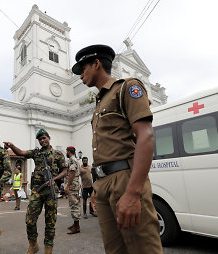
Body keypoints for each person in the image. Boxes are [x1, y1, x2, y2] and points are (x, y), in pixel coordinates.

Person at [72, 44, 163, 254]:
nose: (80, 76)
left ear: (96, 64)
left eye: (83, 69)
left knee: (142, 249)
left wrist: (132, 193)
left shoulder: (127, 87)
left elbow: (146, 137)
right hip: (103, 184)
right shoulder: (99, 101)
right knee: (114, 250)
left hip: (125, 180)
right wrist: (97, 187)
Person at [4, 128, 68, 254]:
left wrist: (54, 179)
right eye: (40, 139)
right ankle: (33, 245)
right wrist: (12, 145)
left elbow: (65, 170)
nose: (42, 140)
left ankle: (48, 249)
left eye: (44, 138)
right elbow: (22, 153)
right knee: (30, 220)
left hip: (51, 191)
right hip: (37, 191)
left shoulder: (58, 154)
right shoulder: (36, 153)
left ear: (49, 138)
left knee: (50, 222)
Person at [65, 146, 81, 234]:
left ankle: (77, 227)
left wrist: (67, 186)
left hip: (72, 186)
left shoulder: (72, 160)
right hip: (75, 185)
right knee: (74, 204)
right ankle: (75, 224)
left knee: (74, 205)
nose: (66, 153)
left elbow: (72, 174)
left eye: (66, 151)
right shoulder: (75, 160)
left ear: (69, 152)